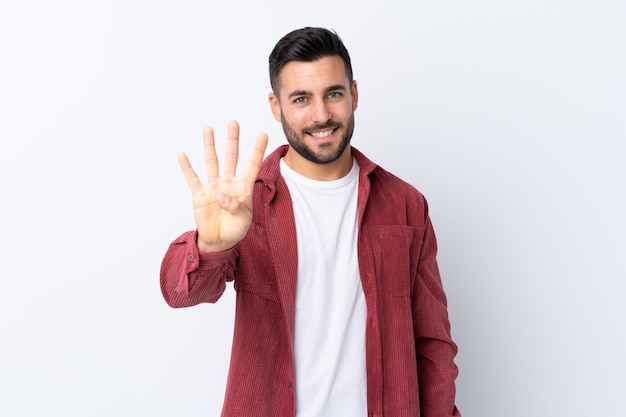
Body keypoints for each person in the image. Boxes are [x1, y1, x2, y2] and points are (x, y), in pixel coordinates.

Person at [160, 27, 461, 417]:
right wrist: (210, 246)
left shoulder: (405, 205)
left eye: (333, 94)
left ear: (354, 94)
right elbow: (179, 293)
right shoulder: (246, 202)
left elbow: (433, 343)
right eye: (301, 98)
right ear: (276, 106)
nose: (321, 115)